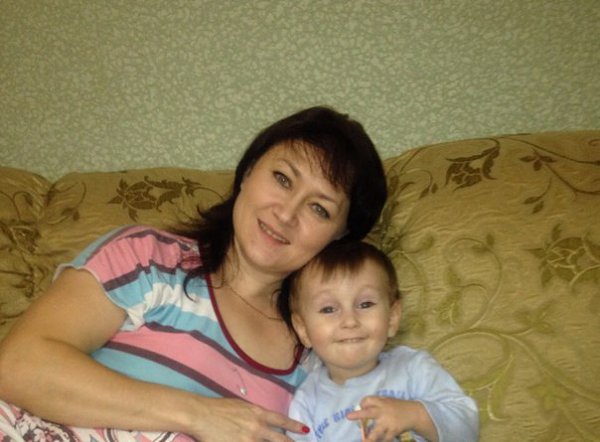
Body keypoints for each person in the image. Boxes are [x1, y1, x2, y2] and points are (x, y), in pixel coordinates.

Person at [0, 106, 388, 442]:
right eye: (282, 179)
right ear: (248, 172)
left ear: (339, 238)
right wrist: (198, 414)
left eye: (319, 209)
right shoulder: (147, 258)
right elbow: (18, 365)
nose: (286, 213)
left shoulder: (318, 355)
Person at [284, 241, 479, 442]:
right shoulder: (307, 401)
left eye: (365, 304)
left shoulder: (413, 369)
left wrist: (415, 415)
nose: (350, 321)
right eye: (328, 309)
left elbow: (467, 429)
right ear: (303, 329)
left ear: (392, 317)